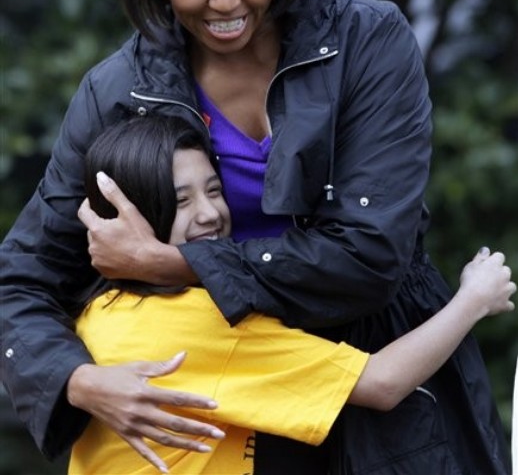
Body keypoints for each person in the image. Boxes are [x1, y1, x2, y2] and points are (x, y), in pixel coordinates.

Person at [0, 0, 512, 473]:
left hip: (388, 400)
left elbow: (369, 255)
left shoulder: (367, 41)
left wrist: (175, 264)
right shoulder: (118, 91)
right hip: (224, 402)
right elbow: (21, 279)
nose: (226, 3)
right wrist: (79, 381)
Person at [69, 114, 515, 475]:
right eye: (181, 201)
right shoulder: (202, 323)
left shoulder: (99, 312)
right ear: (130, 214)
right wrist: (474, 299)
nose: (209, 214)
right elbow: (383, 383)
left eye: (214, 191)